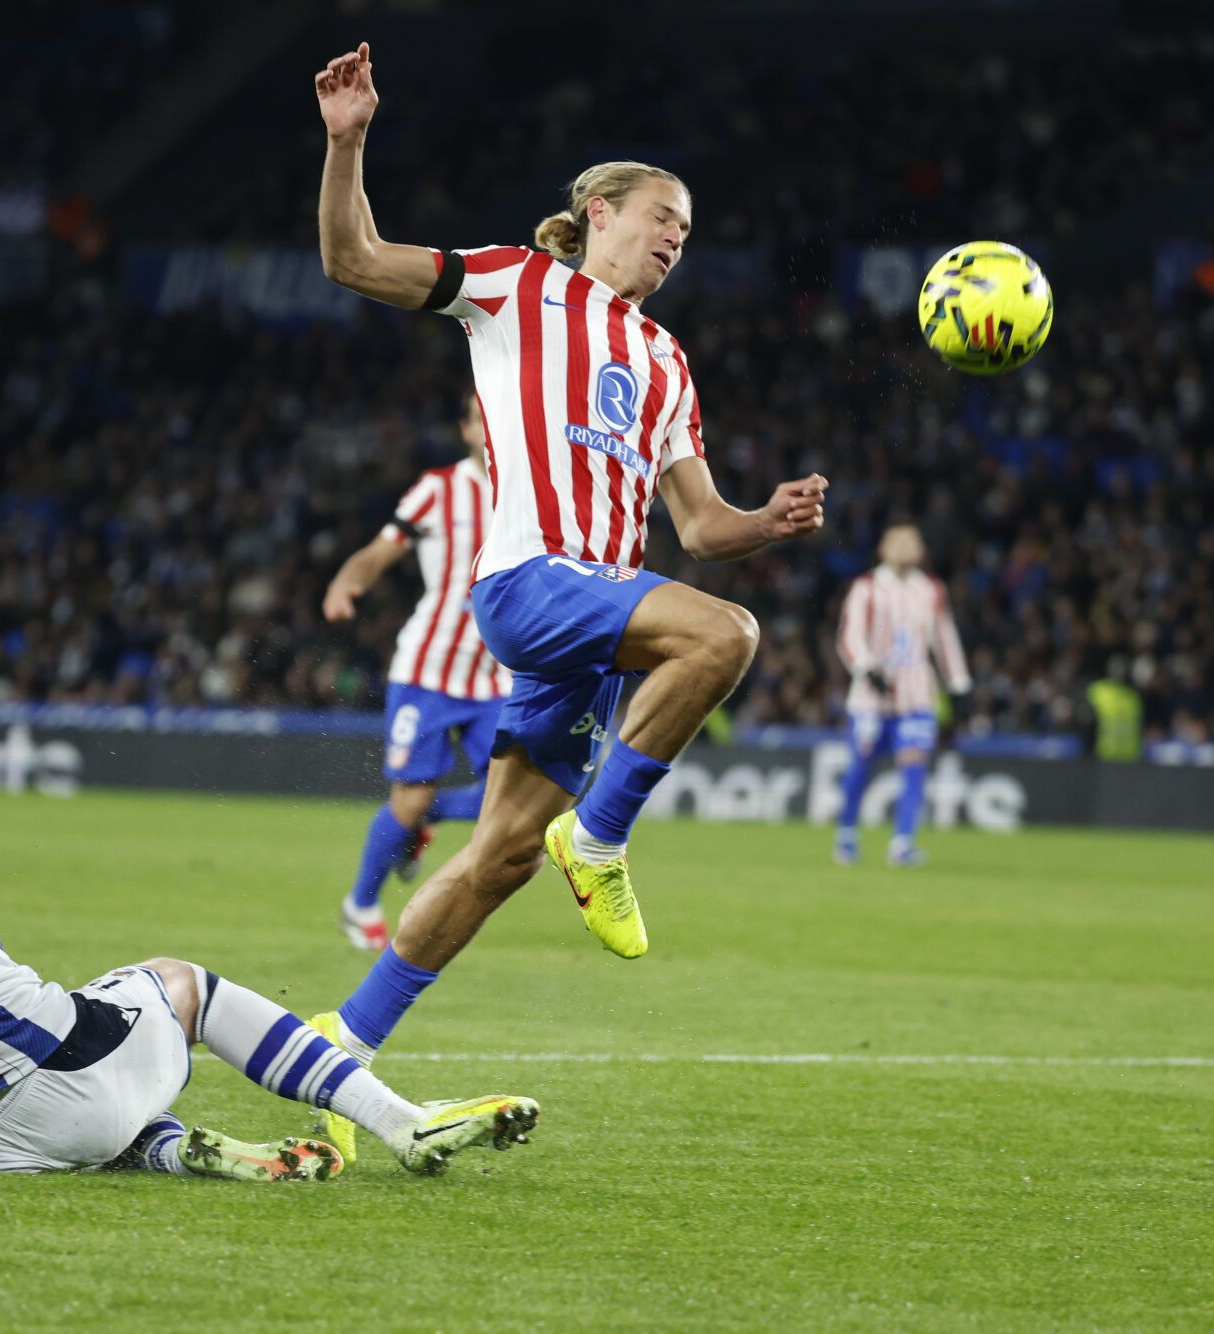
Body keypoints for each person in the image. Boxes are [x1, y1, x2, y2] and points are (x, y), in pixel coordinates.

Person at [307, 42, 828, 1161]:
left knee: (496, 852)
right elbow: (351, 259)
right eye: (660, 214)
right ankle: (597, 839)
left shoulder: (666, 361)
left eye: (684, 230)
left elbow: (698, 527)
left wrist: (766, 519)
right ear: (597, 210)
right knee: (723, 633)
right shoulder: (513, 283)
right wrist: (347, 141)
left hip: (589, 622)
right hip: (530, 579)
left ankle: (338, 1046)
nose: (674, 235)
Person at [0, 659, 538, 1178]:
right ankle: (405, 1123)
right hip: (39, 1074)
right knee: (182, 985)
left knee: (104, 1036)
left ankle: (169, 1149)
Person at [322, 393, 509, 951]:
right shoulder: (439, 489)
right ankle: (360, 905)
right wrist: (346, 582)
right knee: (407, 798)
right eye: (482, 419)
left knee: (530, 797)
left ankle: (427, 818)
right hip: (428, 668)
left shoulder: (532, 491)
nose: (492, 428)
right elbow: (381, 550)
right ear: (466, 429)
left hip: (496, 674)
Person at [832, 524, 972, 867]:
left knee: (914, 767)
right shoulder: (867, 588)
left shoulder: (931, 589)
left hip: (916, 697)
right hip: (870, 699)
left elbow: (944, 637)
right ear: (883, 548)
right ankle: (847, 834)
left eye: (914, 541)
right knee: (860, 768)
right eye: (899, 541)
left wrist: (958, 685)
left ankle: (903, 843)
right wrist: (866, 669)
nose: (907, 546)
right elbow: (849, 636)